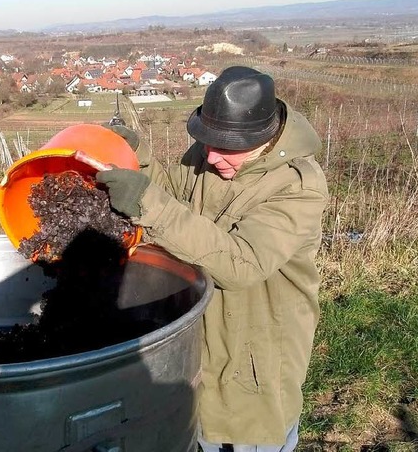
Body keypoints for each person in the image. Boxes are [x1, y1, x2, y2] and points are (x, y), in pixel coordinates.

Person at [89, 66, 329, 451]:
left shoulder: (297, 187)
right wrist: (138, 158)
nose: (212, 156)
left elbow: (243, 263)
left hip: (252, 360)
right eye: (207, 142)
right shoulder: (210, 153)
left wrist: (146, 202)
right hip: (200, 342)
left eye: (227, 147)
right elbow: (173, 199)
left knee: (239, 434)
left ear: (263, 138)